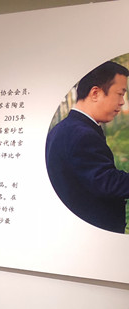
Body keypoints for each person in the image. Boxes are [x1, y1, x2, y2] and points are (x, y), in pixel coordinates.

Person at [46, 60, 129, 233]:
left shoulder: (63, 128)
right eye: (120, 94)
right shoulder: (82, 134)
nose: (122, 102)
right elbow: (107, 183)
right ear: (95, 93)